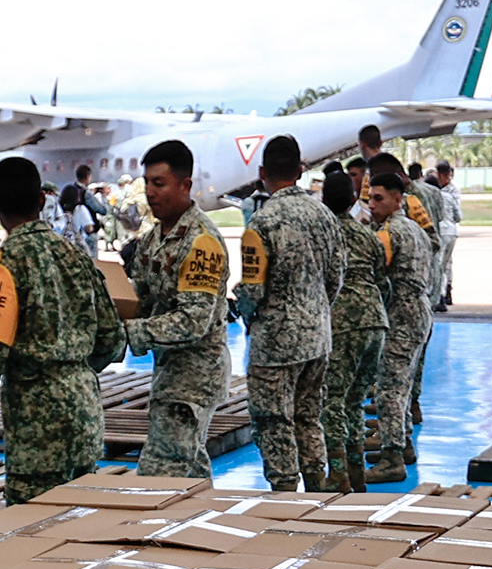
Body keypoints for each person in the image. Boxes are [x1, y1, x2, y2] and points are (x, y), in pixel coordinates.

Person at [0, 156, 125, 504]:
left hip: (37, 432)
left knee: (32, 534)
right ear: (42, 200)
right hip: (85, 417)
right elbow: (113, 338)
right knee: (82, 528)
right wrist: (74, 372)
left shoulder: (5, 263)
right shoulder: (75, 255)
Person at [236, 135, 343, 492]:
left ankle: (283, 496)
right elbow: (336, 277)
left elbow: (252, 290)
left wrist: (249, 316)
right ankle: (316, 486)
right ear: (300, 171)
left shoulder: (262, 223)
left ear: (262, 172)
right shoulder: (325, 215)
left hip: (276, 341)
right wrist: (316, 310)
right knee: (308, 415)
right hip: (318, 335)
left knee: (272, 419)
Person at [122, 140, 229, 478]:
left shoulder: (201, 242)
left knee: (161, 473)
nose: (151, 192)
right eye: (147, 183)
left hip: (195, 379)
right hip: (170, 373)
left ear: (185, 186)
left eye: (160, 183)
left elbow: (192, 321)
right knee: (189, 469)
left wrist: (130, 333)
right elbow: (139, 296)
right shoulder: (153, 238)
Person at [317, 168, 388, 493]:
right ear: (351, 199)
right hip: (375, 321)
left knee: (333, 400)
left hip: (342, 323)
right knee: (355, 399)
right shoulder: (367, 234)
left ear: (323, 199)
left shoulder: (325, 234)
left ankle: (338, 474)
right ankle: (357, 472)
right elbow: (381, 277)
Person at [363, 171, 432, 483]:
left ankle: (391, 457)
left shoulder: (389, 233)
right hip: (420, 311)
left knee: (389, 386)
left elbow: (379, 279)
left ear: (397, 199)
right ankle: (402, 443)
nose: (372, 204)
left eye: (379, 198)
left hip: (401, 315)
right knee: (402, 384)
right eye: (370, 198)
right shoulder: (416, 229)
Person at [434, 160, 462, 307]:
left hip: (442, 231)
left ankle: (442, 295)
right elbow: (459, 215)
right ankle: (445, 292)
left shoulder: (442, 193)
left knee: (440, 264)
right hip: (451, 231)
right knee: (445, 264)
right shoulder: (450, 194)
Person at [60, 184, 99, 258]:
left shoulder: (59, 208)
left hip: (61, 242)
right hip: (76, 245)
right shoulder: (80, 209)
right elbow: (89, 228)